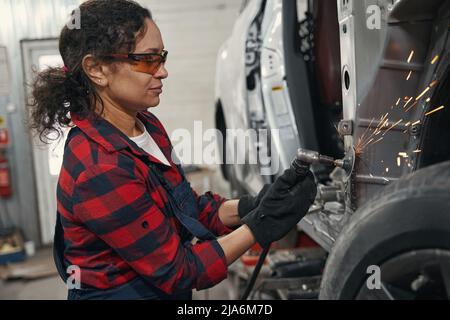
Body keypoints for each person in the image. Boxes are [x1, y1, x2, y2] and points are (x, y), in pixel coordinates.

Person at [29, 0, 317, 300]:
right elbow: (180, 270)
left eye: (162, 57)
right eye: (148, 60)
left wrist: (254, 205)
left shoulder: (146, 125)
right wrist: (260, 227)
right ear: (96, 69)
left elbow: (189, 208)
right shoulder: (100, 167)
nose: (163, 71)